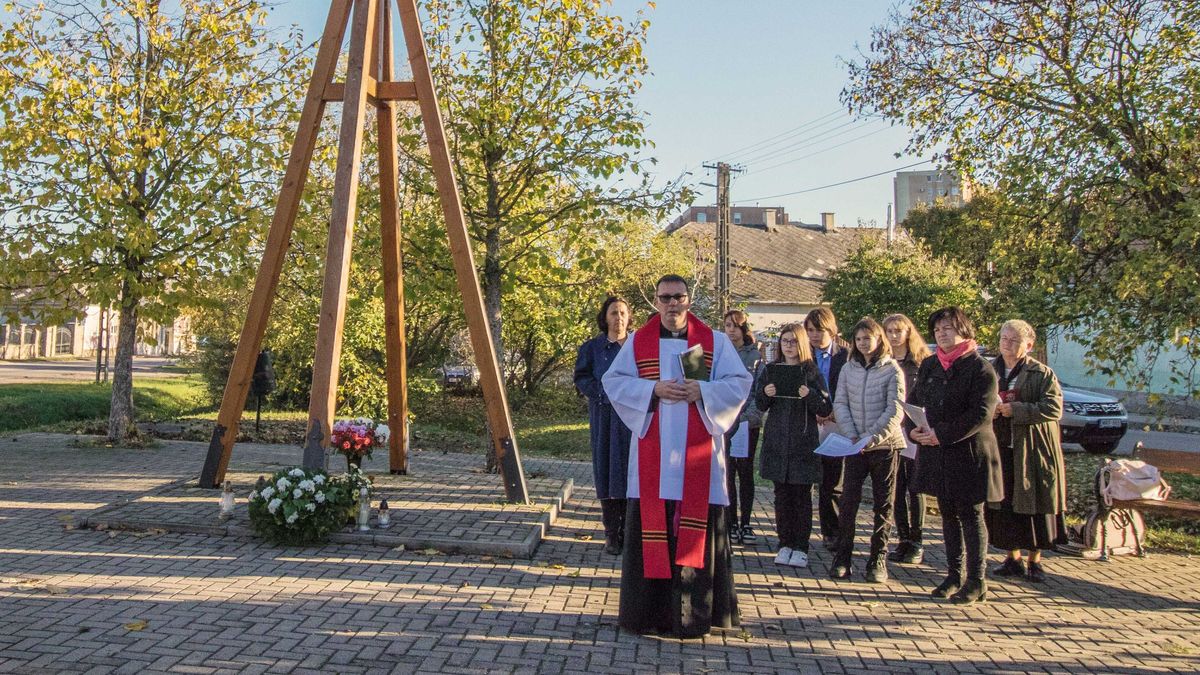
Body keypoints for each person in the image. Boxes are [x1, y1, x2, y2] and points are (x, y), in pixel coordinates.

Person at [602, 274, 752, 638]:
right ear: (655, 300)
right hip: (654, 459)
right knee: (654, 532)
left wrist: (703, 391)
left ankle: (694, 616)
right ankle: (648, 615)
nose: (672, 304)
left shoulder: (712, 342)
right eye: (665, 297)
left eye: (679, 297)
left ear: (689, 299)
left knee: (696, 532)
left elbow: (739, 384)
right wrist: (651, 388)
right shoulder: (639, 342)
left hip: (699, 460)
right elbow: (613, 381)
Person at [908, 306, 1001, 605]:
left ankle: (976, 580)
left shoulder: (981, 369)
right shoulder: (930, 365)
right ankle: (953, 575)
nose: (941, 333)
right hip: (936, 454)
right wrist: (914, 430)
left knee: (971, 516)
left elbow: (982, 414)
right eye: (937, 329)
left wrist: (942, 434)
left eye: (947, 327)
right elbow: (913, 403)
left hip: (969, 453)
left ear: (963, 329)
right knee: (947, 514)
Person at [986, 319, 1068, 583]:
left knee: (1032, 506)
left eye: (1014, 340)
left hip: (1031, 449)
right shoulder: (990, 369)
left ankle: (1035, 561)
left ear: (1029, 345)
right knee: (1004, 503)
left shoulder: (1041, 373)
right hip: (1000, 446)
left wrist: (1017, 410)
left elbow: (1054, 408)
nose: (1007, 344)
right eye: (1004, 338)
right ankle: (1012, 558)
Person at [831, 317, 905, 583]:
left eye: (868, 338)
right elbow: (840, 402)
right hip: (854, 445)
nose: (863, 343)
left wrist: (872, 436)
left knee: (883, 504)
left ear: (878, 339)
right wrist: (852, 434)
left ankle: (877, 559)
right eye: (859, 338)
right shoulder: (848, 368)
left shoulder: (892, 369)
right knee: (848, 502)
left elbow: (895, 409)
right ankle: (843, 557)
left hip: (883, 445)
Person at [755, 323, 832, 568]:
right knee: (781, 496)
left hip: (802, 442)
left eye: (792, 341)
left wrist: (808, 394)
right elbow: (760, 403)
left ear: (801, 343)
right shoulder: (770, 369)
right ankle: (784, 543)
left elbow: (825, 406)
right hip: (777, 441)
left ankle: (801, 546)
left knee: (801, 497)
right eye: (784, 341)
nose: (788, 346)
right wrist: (766, 392)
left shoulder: (811, 370)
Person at [574, 296, 635, 555]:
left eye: (622, 313)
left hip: (633, 418)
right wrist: (601, 393)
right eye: (613, 313)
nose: (618, 318)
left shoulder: (637, 346)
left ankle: (630, 531)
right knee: (608, 470)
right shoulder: (593, 348)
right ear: (605, 317)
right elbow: (581, 377)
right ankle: (611, 532)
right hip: (605, 417)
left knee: (632, 472)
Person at [882, 314, 932, 565]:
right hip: (890, 431)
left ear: (908, 333)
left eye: (898, 331)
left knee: (915, 487)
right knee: (895, 488)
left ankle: (917, 540)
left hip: (914, 430)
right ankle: (902, 538)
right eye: (889, 330)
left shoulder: (921, 363)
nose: (893, 335)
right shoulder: (884, 362)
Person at [804, 307, 848, 549]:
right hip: (810, 421)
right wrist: (815, 410)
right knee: (809, 479)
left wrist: (831, 412)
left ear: (830, 329)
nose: (814, 335)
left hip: (835, 421)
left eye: (819, 330)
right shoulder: (804, 355)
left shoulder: (846, 355)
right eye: (810, 330)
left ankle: (833, 532)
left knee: (832, 483)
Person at [723, 310, 763, 545]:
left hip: (748, 422)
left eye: (735, 326)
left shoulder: (755, 356)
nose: (731, 330)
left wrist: (748, 417)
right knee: (727, 473)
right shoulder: (719, 352)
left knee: (745, 473)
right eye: (727, 325)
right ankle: (730, 522)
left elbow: (759, 389)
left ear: (744, 329)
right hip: (725, 421)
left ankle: (746, 522)